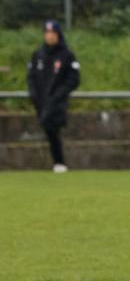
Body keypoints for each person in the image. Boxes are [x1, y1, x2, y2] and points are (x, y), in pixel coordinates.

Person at [27, 19, 80, 172]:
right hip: (41, 100)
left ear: (58, 35)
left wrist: (59, 94)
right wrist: (33, 93)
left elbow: (74, 79)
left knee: (52, 127)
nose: (49, 37)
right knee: (49, 128)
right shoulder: (38, 54)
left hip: (57, 101)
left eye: (53, 33)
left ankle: (59, 162)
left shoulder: (67, 55)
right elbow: (31, 76)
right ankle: (58, 162)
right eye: (47, 33)